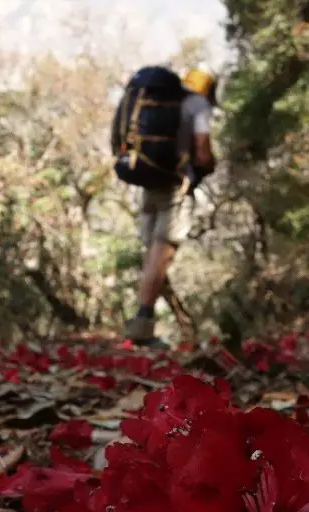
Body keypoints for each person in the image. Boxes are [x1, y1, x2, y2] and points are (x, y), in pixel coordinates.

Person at [123, 68, 218, 346]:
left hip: (148, 184)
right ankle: (143, 325)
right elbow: (202, 153)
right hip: (175, 187)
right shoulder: (198, 104)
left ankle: (144, 319)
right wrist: (209, 164)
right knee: (162, 252)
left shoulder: (157, 101)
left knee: (152, 251)